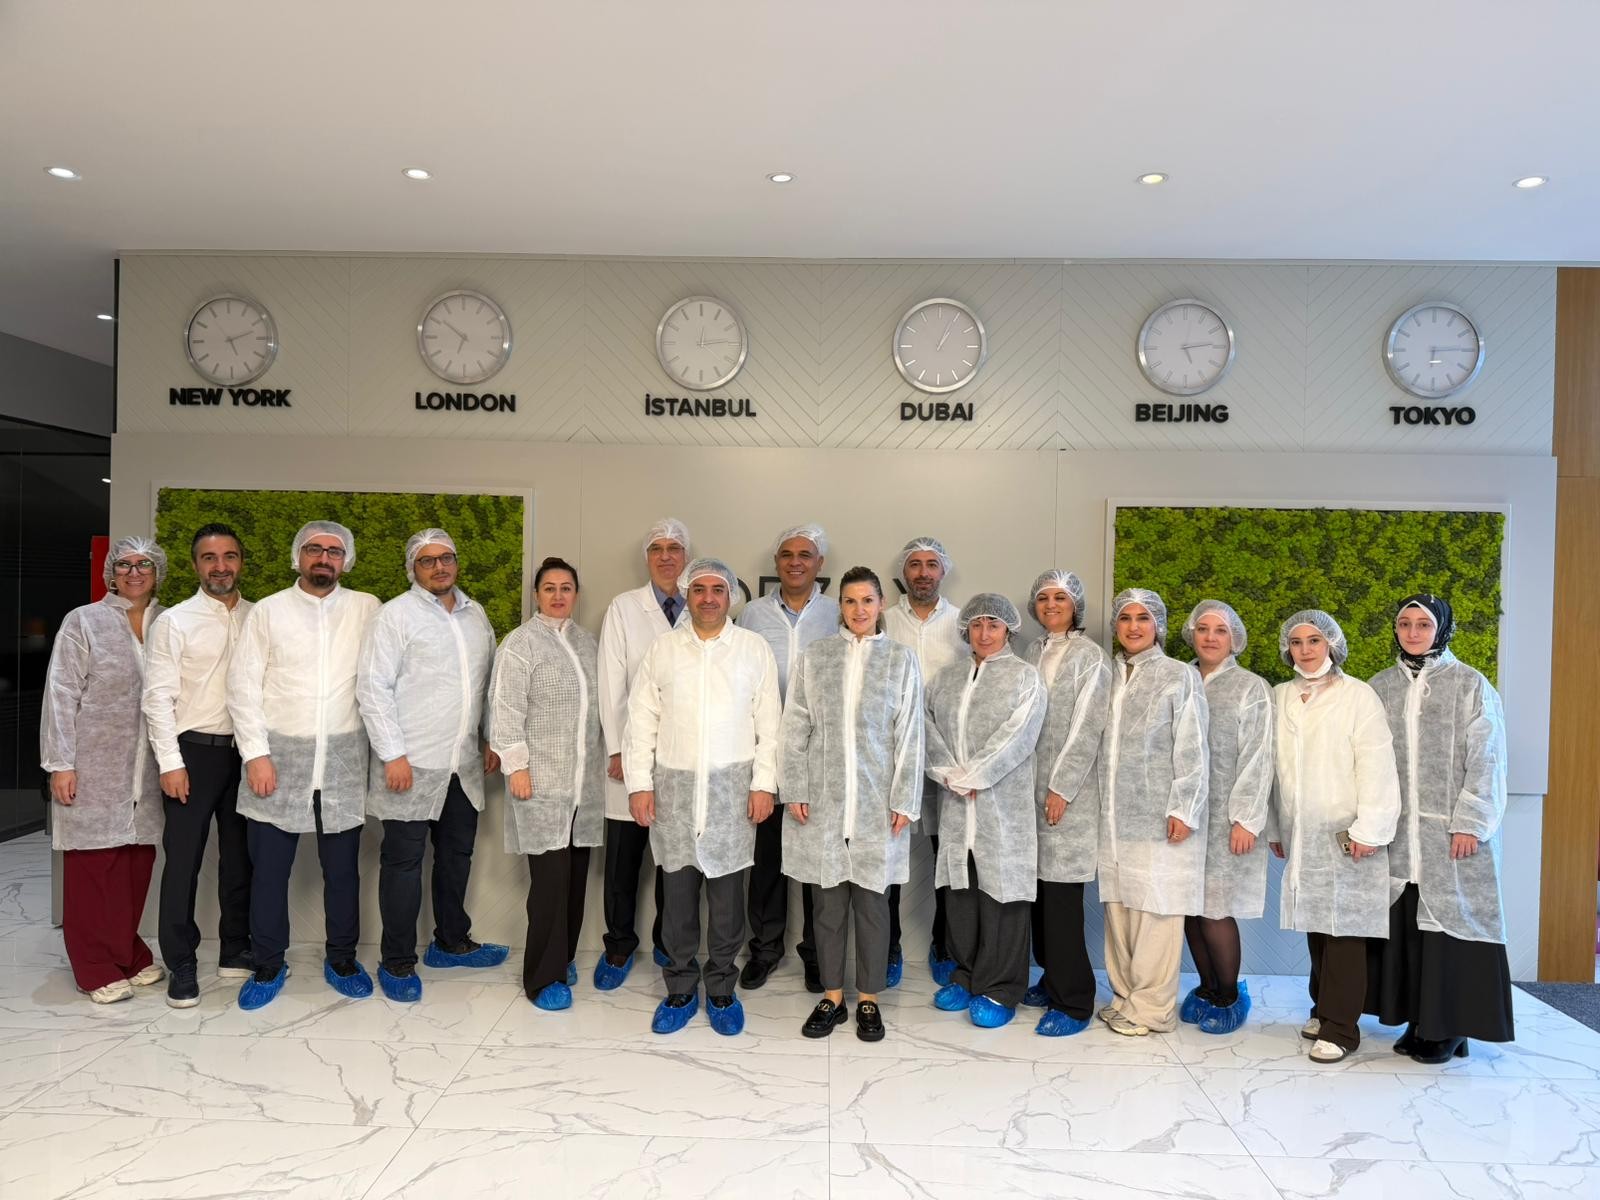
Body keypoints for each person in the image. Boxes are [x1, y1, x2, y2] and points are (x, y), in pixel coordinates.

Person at [623, 557, 780, 1036]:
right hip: (674, 793)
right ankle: (679, 987)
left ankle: (722, 987)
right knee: (678, 897)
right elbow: (641, 720)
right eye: (699, 590)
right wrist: (639, 784)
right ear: (687, 595)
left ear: (731, 596)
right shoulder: (664, 650)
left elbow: (769, 725)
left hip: (732, 794)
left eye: (717, 590)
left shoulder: (752, 649)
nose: (708, 598)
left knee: (729, 900)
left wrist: (764, 784)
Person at [227, 520, 380, 1009]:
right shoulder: (269, 611)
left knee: (343, 873)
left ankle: (343, 959)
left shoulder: (367, 609)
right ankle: (268, 963)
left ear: (346, 560)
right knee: (269, 873)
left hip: (342, 763)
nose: (324, 558)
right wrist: (256, 755)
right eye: (314, 549)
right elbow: (243, 685)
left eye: (334, 551)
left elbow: (382, 680)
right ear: (298, 556)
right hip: (278, 762)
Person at [357, 528, 505, 1005]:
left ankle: (450, 941)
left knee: (456, 857)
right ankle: (397, 961)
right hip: (411, 763)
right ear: (413, 568)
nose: (439, 567)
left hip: (462, 763)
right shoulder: (394, 616)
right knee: (403, 864)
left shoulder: (475, 614)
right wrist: (392, 754)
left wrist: (488, 737)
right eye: (428, 560)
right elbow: (372, 688)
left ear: (457, 563)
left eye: (446, 558)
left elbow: (485, 684)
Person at [1365, 593, 1514, 1063]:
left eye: (1423, 624)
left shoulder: (1470, 684)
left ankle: (1449, 1028)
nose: (1413, 632)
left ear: (1441, 628)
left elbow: (1489, 759)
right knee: (1410, 930)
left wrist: (1471, 822)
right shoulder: (1380, 686)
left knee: (1454, 928)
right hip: (1398, 836)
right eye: (1404, 623)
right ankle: (1420, 1020)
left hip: (1451, 835)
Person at [782, 566, 923, 1042]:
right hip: (824, 801)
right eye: (849, 601)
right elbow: (795, 725)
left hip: (877, 803)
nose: (858, 610)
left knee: (873, 903)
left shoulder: (900, 660)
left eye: (867, 600)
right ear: (839, 606)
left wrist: (905, 798)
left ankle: (868, 999)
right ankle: (832, 995)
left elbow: (910, 735)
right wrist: (795, 787)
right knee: (826, 904)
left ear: (881, 605)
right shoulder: (817, 657)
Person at [1267, 610, 1400, 1064]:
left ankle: (1342, 1029)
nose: (1305, 650)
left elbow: (1378, 765)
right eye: (1297, 642)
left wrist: (1370, 829)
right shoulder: (1280, 696)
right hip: (1302, 830)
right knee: (1318, 926)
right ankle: (1322, 1009)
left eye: (1314, 641)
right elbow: (1274, 770)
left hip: (1348, 830)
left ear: (1332, 645)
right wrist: (1276, 825)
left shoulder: (1358, 696)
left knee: (1345, 929)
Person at [42, 536, 169, 1003]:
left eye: (144, 564)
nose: (135, 572)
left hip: (149, 768)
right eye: (124, 564)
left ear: (158, 572)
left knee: (135, 865)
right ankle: (93, 966)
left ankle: (127, 953)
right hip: (93, 763)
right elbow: (61, 693)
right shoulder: (84, 621)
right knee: (93, 867)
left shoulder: (168, 622)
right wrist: (61, 763)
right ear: (110, 572)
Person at [142, 524, 255, 1008]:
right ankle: (181, 963)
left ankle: (235, 949)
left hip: (247, 753)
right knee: (184, 861)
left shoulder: (258, 617)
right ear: (195, 566)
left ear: (241, 562)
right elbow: (156, 698)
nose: (220, 566)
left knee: (240, 857)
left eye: (229, 556)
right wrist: (170, 762)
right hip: (192, 753)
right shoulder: (175, 622)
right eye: (210, 558)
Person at [925, 593, 1048, 1029]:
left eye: (993, 624)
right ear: (966, 630)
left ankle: (1000, 988)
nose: (984, 632)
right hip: (956, 803)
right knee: (960, 893)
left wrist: (975, 775)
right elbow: (927, 728)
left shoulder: (1025, 678)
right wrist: (947, 773)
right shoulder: (946, 679)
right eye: (976, 624)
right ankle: (965, 975)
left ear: (1008, 630)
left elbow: (1018, 736)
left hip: (1001, 808)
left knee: (1003, 897)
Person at [490, 557, 606, 1010]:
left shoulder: (586, 643)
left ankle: (564, 957)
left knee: (574, 879)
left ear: (576, 594)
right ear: (536, 595)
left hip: (583, 786)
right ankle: (542, 977)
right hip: (541, 783)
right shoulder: (520, 644)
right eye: (549, 588)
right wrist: (516, 766)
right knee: (549, 885)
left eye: (566, 588)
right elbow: (505, 708)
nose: (558, 595)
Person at [1097, 588, 1209, 1037]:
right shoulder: (1107, 674)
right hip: (1112, 817)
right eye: (1125, 618)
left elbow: (1193, 747)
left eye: (1143, 618)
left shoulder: (1179, 675)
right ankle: (1124, 997)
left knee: (1157, 912)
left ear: (1158, 626)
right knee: (1120, 909)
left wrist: (1184, 807)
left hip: (1160, 815)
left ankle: (1152, 1009)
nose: (1133, 626)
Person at [737, 523, 838, 990]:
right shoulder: (752, 615)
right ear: (776, 563)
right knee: (766, 863)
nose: (795, 562)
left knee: (817, 861)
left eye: (805, 554)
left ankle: (818, 954)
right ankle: (765, 948)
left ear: (820, 564)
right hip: (765, 753)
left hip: (819, 757)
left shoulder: (837, 614)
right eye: (787, 555)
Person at [593, 518, 689, 989]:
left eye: (674, 548)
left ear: (686, 556)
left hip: (682, 759)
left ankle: (671, 943)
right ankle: (618, 945)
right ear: (647, 557)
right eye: (657, 548)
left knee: (675, 862)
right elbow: (610, 682)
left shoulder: (704, 605)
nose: (665, 556)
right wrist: (617, 749)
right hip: (630, 756)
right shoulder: (624, 608)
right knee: (623, 862)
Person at [1020, 569, 1111, 1038]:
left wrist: (1062, 787)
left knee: (1060, 902)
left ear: (1076, 605)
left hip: (1065, 796)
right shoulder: (1031, 652)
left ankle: (1074, 1000)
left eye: (1060, 597)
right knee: (1037, 897)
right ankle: (1051, 977)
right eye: (1043, 597)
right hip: (1026, 791)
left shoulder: (1090, 657)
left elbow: (1087, 727)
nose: (1051, 604)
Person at [1178, 599, 1274, 1035]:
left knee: (1215, 909)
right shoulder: (1179, 679)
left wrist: (1246, 818)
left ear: (1234, 639)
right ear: (1191, 634)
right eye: (1203, 629)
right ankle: (1206, 987)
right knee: (1188, 908)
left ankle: (1230, 995)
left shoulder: (1251, 688)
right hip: (1180, 816)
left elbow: (1259, 756)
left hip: (1225, 819)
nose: (1211, 637)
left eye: (1220, 630)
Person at [883, 536, 966, 984]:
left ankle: (945, 945)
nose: (922, 572)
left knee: (947, 856)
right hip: (890, 755)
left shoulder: (961, 623)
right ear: (904, 571)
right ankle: (887, 946)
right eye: (914, 564)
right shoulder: (883, 619)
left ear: (943, 571)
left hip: (946, 755)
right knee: (888, 853)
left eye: (931, 564)